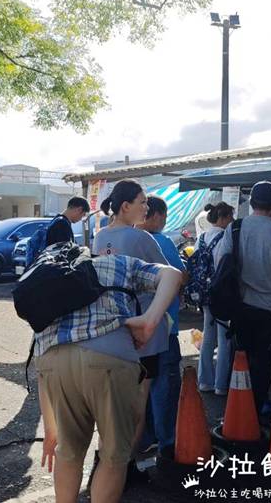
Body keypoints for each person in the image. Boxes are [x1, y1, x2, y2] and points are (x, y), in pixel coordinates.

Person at [35, 252, 182, 503]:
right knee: (115, 454)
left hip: (52, 364)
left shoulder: (52, 277)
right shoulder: (120, 263)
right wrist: (151, 319)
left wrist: (50, 425)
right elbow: (172, 275)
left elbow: (42, 352)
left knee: (69, 451)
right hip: (107, 358)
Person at [92, 181, 170, 473]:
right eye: (143, 202)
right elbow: (170, 277)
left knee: (112, 403)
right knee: (138, 403)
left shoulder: (100, 237)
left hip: (112, 327)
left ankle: (105, 458)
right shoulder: (142, 239)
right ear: (126, 206)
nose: (147, 208)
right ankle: (125, 467)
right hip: (143, 328)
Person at [213, 181, 271, 419]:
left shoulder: (235, 228)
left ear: (251, 203)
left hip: (241, 306)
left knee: (240, 357)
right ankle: (259, 409)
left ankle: (236, 410)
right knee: (264, 361)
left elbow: (222, 264)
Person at [137, 196, 186, 452]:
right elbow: (179, 277)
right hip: (164, 327)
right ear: (153, 215)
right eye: (164, 217)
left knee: (140, 386)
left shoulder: (124, 238)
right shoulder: (162, 242)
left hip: (134, 330)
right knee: (164, 388)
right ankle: (167, 444)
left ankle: (143, 441)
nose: (164, 222)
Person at [195, 202, 235, 395]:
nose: (232, 221)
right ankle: (221, 385)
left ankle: (204, 381)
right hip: (222, 293)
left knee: (208, 336)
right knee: (224, 338)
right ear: (223, 217)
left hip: (204, 293)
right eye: (230, 217)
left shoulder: (201, 237)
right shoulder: (225, 237)